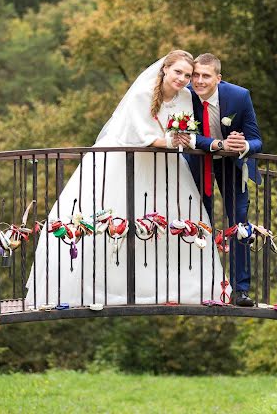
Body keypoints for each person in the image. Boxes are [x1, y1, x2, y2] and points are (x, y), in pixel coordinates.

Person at [26, 50, 227, 308]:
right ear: (165, 69)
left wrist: (182, 138)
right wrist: (170, 140)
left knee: (168, 221)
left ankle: (169, 286)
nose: (183, 79)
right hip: (127, 163)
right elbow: (141, 136)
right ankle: (101, 288)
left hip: (167, 165)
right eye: (178, 72)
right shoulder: (142, 94)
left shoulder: (186, 96)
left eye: (187, 75)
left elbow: (187, 131)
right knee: (114, 218)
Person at [184, 53, 262, 307]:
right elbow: (185, 134)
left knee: (238, 224)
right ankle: (201, 285)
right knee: (198, 222)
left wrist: (242, 145)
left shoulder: (240, 96)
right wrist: (218, 144)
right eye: (195, 75)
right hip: (198, 164)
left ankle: (241, 290)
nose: (199, 80)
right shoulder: (184, 95)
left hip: (231, 166)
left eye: (205, 76)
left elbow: (257, 140)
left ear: (218, 78)